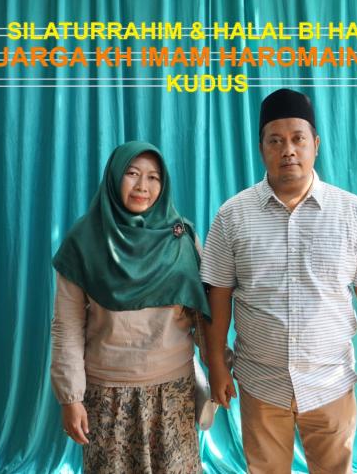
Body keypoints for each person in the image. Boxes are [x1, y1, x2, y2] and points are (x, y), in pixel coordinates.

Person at [200, 89, 357, 474]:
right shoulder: (232, 216)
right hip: (261, 383)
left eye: (297, 139)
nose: (287, 150)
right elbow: (218, 297)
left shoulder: (351, 212)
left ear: (315, 145)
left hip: (330, 381)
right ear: (261, 149)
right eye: (275, 141)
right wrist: (217, 364)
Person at [50, 141, 209, 474]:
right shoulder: (83, 242)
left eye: (153, 177)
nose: (142, 186)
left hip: (173, 391)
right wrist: (70, 398)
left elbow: (202, 315)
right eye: (132, 174)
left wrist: (218, 366)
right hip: (107, 395)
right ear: (114, 177)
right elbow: (67, 326)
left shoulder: (181, 237)